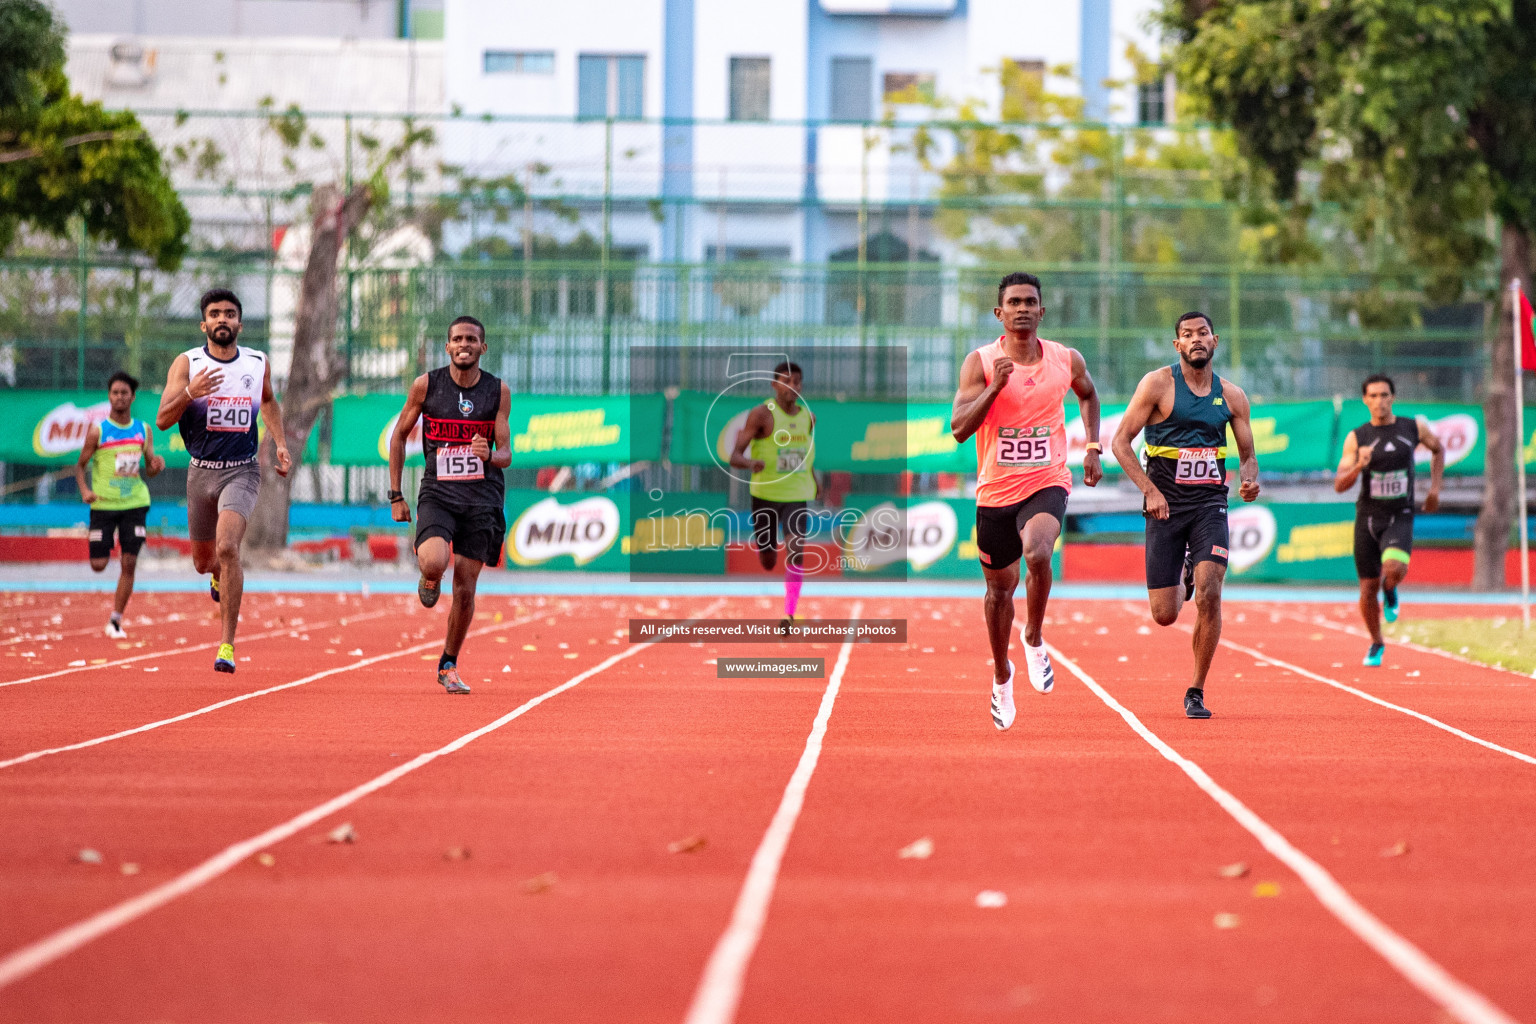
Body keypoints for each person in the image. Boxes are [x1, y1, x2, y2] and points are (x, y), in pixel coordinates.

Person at [951, 272, 1103, 731]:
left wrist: (1092, 447)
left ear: (1041, 311)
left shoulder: (1065, 359)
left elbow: (1089, 394)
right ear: (999, 313)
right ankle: (1002, 675)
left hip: (1047, 480)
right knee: (999, 592)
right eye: (1012, 302)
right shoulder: (979, 362)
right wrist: (994, 388)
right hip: (996, 491)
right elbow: (959, 429)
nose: (1021, 308)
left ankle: (1034, 636)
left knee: (1039, 553)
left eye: (1029, 302)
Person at [1113, 311, 1259, 719]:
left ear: (1216, 340)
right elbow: (1121, 443)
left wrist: (1250, 479)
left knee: (1211, 591)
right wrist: (1151, 491)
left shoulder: (1232, 396)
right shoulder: (1157, 385)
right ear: (1177, 345)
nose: (1196, 340)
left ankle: (1195, 689)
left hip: (1209, 504)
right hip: (1164, 506)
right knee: (1164, 615)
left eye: (1203, 333)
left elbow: (1248, 456)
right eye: (1187, 335)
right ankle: (1183, 573)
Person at [155, 289, 291, 673]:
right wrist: (189, 393)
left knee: (228, 547)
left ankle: (226, 646)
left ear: (239, 323)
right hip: (200, 471)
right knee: (204, 562)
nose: (223, 320)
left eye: (230, 314)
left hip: (241, 469)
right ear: (204, 324)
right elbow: (163, 419)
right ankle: (217, 577)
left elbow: (267, 401)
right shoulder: (188, 364)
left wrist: (279, 443)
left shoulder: (256, 362)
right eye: (215, 314)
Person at [388, 315, 512, 695]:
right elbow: (398, 437)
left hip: (482, 499)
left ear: (482, 347)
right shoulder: (426, 385)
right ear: (448, 347)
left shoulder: (498, 391)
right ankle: (428, 577)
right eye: (457, 338)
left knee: (465, 590)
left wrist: (488, 455)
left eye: (472, 339)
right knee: (434, 561)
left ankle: (448, 663)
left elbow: (506, 453)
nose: (464, 344)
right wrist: (396, 494)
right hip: (439, 493)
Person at [1333, 373, 1444, 666]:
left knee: (1394, 568)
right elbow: (1339, 484)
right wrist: (1359, 464)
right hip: (1368, 517)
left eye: (1385, 395)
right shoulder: (1357, 437)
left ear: (1392, 397)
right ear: (1365, 400)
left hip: (1400, 514)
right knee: (1367, 588)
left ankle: (1391, 588)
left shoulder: (1412, 427)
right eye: (1374, 396)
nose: (1380, 401)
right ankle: (1376, 642)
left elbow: (1438, 449)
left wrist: (1434, 489)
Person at [74, 371, 165, 638]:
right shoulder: (98, 430)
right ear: (109, 396)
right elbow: (80, 465)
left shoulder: (143, 429)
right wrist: (85, 490)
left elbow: (149, 468)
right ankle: (107, 544)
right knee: (99, 564)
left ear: (133, 397)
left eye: (125, 393)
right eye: (115, 392)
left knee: (129, 561)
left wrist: (156, 466)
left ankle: (115, 619)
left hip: (134, 503)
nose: (120, 397)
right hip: (103, 505)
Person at [729, 361, 817, 632]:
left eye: (798, 382)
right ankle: (766, 549)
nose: (794, 387)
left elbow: (806, 454)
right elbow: (734, 456)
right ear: (774, 385)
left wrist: (814, 479)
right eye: (787, 381)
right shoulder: (761, 415)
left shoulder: (809, 418)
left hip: (796, 494)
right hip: (765, 494)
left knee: (796, 547)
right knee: (768, 561)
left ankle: (789, 614)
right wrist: (750, 464)